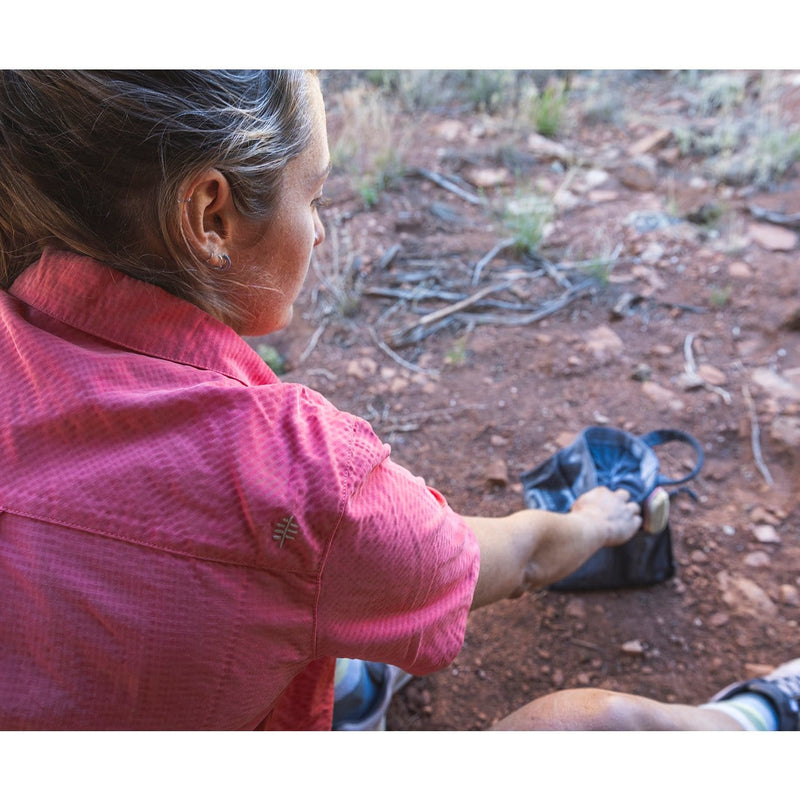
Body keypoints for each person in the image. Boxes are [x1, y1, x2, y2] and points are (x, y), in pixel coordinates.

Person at [0, 69, 641, 731]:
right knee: (593, 727)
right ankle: (754, 711)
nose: (320, 231)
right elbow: (517, 560)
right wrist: (595, 521)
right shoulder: (295, 478)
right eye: (315, 194)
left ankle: (354, 683)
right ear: (210, 216)